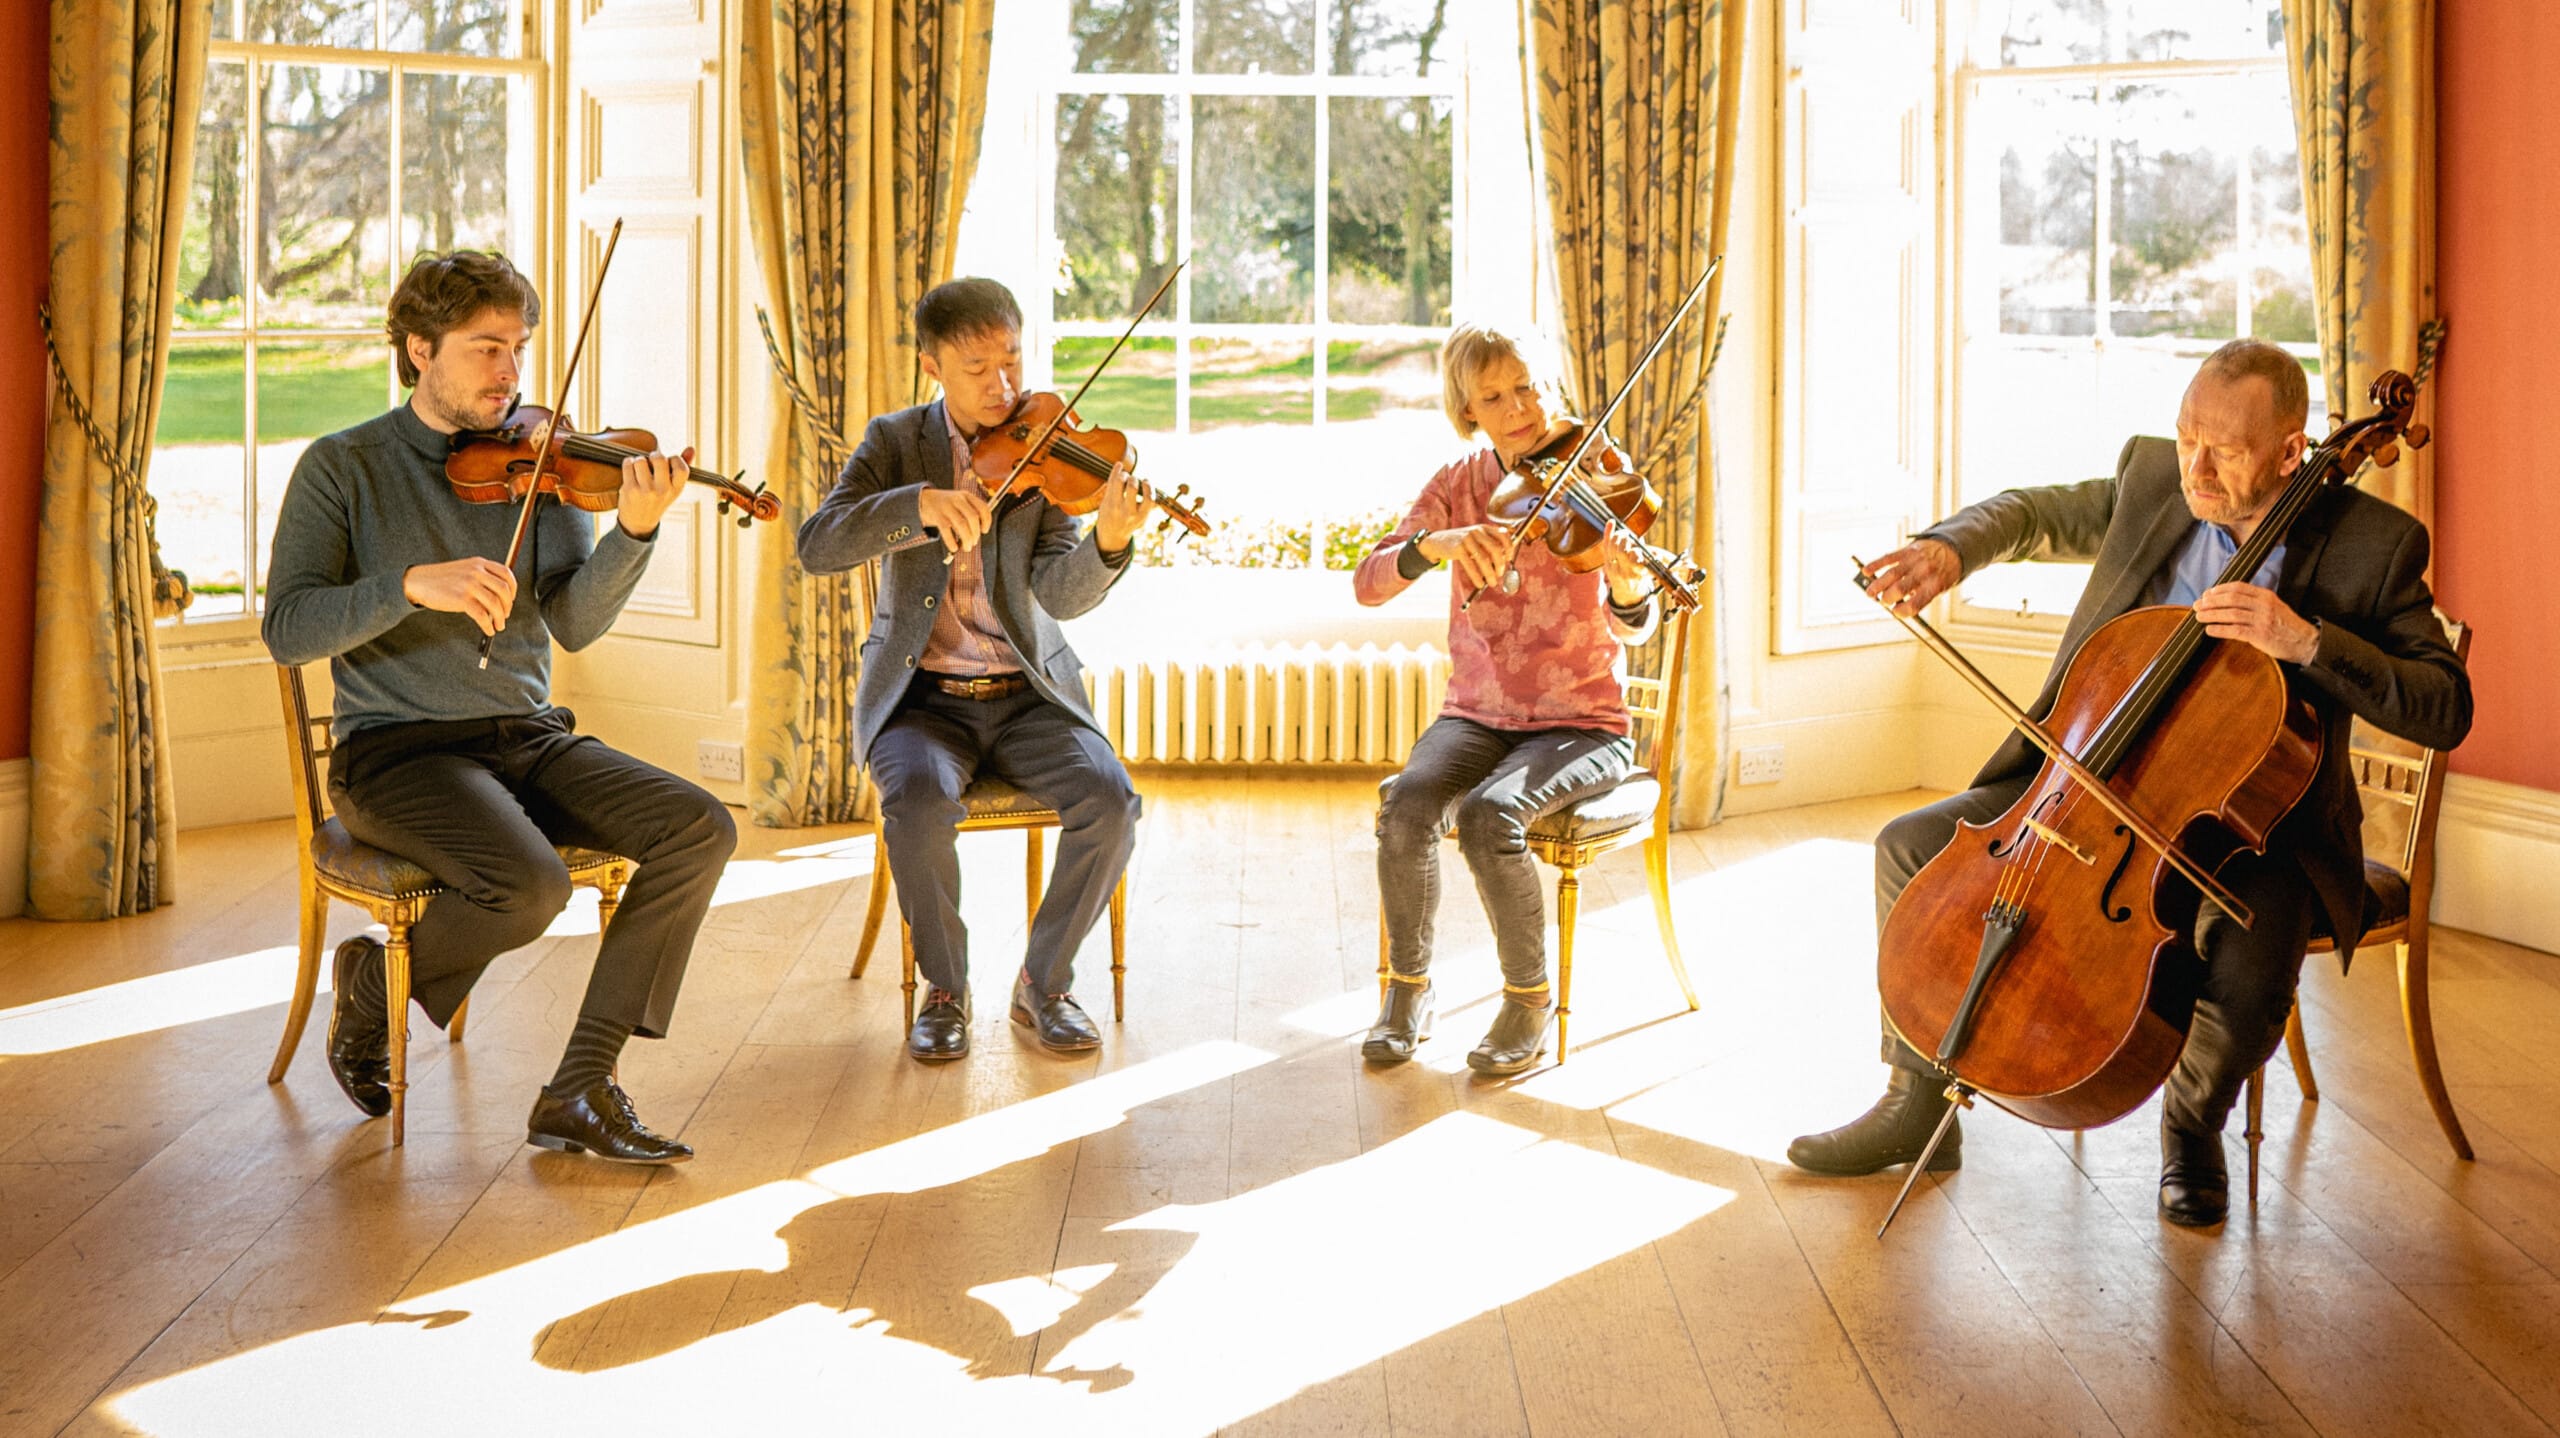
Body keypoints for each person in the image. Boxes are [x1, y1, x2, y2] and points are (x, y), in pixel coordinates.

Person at [1787, 339, 2472, 1226]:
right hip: (2088, 777)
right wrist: (1952, 550)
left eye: (2222, 450)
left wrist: (2305, 641)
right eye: (2187, 434)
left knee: (2252, 948)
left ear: (2289, 452)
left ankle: (2191, 1129)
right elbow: (2033, 512)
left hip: (2251, 823)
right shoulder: (2153, 479)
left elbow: (2443, 705)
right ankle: (1915, 1097)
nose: (2196, 465)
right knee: (1908, 847)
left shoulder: (2372, 546)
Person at [262, 250, 737, 1165]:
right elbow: (287, 628)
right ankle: (370, 988)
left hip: (526, 738)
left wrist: (634, 534)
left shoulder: (543, 462)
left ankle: (580, 1088)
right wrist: (408, 585)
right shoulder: (343, 467)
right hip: (397, 753)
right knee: (532, 885)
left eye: (518, 348)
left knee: (700, 826)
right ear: (418, 350)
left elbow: (574, 622)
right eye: (486, 349)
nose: (511, 373)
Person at [796, 278, 1153, 1064]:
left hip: (1030, 696)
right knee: (918, 803)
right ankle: (947, 989)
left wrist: (1110, 545)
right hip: (922, 702)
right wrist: (916, 504)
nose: (1004, 386)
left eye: (1013, 361)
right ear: (932, 364)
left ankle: (1044, 982)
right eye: (978, 367)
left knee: (1113, 802)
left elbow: (1059, 591)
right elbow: (817, 543)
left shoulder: (1047, 443)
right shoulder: (893, 442)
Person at [1353, 320, 1664, 1077]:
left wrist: (1627, 587)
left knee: (1491, 816)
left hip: (1583, 726)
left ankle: (1528, 999)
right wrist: (1439, 546)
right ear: (1468, 409)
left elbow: (1640, 621)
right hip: (1477, 715)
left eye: (1526, 387)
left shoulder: (1596, 471)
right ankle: (1406, 994)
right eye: (1492, 396)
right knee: (1408, 803)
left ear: (1547, 385)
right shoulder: (1458, 487)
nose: (1517, 408)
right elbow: (1369, 583)